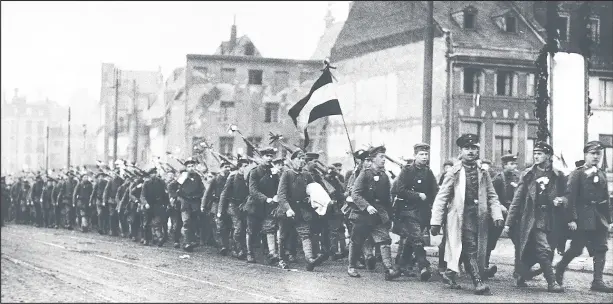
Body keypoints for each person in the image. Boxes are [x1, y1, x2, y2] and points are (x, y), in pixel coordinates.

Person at [430, 134, 504, 294]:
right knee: (470, 247)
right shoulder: (454, 172)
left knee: (473, 248)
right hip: (461, 217)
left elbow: (492, 195)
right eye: (467, 148)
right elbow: (442, 196)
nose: (470, 151)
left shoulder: (483, 172)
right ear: (461, 150)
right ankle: (478, 282)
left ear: (478, 150)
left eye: (473, 148)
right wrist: (435, 221)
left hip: (480, 217)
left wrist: (497, 214)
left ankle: (450, 273)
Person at [503, 142, 565, 292]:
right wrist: (508, 223)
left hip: (552, 218)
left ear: (549, 156)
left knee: (544, 250)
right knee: (543, 248)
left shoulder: (558, 175)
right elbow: (517, 200)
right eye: (535, 153)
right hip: (533, 218)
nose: (536, 156)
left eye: (540, 154)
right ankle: (552, 282)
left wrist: (562, 200)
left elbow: (567, 194)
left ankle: (522, 274)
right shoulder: (528, 175)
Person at [555, 141, 613, 293]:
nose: (595, 157)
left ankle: (598, 281)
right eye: (592, 154)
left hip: (598, 217)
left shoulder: (601, 174)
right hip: (581, 218)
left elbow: (605, 199)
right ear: (586, 155)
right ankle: (559, 268)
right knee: (576, 248)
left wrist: (609, 220)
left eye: (598, 154)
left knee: (601, 248)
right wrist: (571, 219)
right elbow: (570, 198)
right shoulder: (578, 173)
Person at [348, 146, 402, 280]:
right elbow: (355, 194)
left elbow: (387, 199)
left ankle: (389, 269)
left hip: (379, 215)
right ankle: (351, 266)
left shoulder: (384, 176)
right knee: (357, 241)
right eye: (381, 157)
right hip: (363, 215)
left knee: (384, 240)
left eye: (384, 157)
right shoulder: (364, 174)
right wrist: (366, 206)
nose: (384, 160)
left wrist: (389, 215)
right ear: (373, 159)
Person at [392, 143, 438, 281]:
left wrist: (434, 204)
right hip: (408, 210)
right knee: (417, 238)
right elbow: (399, 190)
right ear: (415, 156)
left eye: (426, 154)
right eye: (421, 154)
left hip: (423, 212)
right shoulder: (407, 171)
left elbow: (434, 191)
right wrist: (417, 195)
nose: (424, 157)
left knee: (411, 241)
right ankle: (424, 266)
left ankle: (399, 268)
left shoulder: (428, 172)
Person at [277, 150, 327, 271]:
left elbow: (314, 189)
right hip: (287, 209)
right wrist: (287, 209)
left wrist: (312, 198)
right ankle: (281, 259)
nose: (301, 162)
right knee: (283, 235)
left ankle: (310, 259)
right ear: (293, 160)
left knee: (305, 233)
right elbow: (281, 195)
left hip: (301, 210)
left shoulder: (307, 175)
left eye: (303, 159)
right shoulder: (287, 174)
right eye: (298, 159)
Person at [245, 147, 281, 264]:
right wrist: (266, 199)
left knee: (269, 229)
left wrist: (276, 195)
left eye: (271, 156)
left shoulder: (274, 172)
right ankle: (250, 253)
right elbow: (253, 190)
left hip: (269, 206)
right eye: (267, 156)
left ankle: (271, 253)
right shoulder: (255, 172)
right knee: (252, 231)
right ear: (261, 158)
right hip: (255, 206)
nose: (269, 158)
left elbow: (278, 187)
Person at [488, 153, 520, 278]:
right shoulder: (497, 179)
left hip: (512, 216)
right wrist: (500, 207)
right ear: (504, 165)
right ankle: (484, 267)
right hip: (499, 216)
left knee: (518, 242)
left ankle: (518, 271)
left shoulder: (516, 178)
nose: (514, 166)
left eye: (515, 164)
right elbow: (491, 196)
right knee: (491, 241)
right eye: (511, 164)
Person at [218, 158, 250, 260]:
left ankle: (239, 248)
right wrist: (220, 210)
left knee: (243, 227)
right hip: (233, 205)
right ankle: (238, 249)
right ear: (240, 167)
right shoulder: (233, 177)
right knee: (238, 227)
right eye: (244, 166)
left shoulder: (249, 178)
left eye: (247, 166)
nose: (246, 168)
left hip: (244, 205)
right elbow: (224, 193)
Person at [178, 158, 205, 252]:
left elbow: (202, 189)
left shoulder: (198, 177)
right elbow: (176, 186)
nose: (191, 168)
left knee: (194, 223)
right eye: (189, 166)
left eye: (192, 166)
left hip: (195, 203)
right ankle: (186, 243)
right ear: (186, 168)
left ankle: (191, 240)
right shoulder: (183, 176)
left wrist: (201, 198)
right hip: (185, 203)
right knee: (186, 222)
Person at [205, 161, 232, 255]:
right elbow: (207, 193)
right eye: (225, 167)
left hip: (228, 204)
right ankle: (221, 245)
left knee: (228, 225)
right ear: (221, 168)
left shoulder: (231, 178)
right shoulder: (216, 179)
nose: (228, 168)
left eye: (229, 167)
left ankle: (226, 244)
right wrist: (203, 205)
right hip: (216, 204)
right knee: (218, 225)